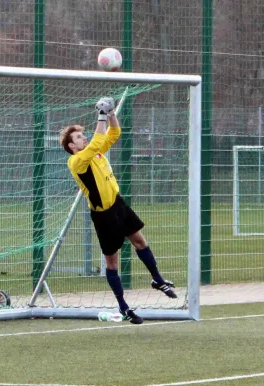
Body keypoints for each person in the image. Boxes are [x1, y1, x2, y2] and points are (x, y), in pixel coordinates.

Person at [58, 97, 177, 325]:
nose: (84, 138)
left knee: (140, 242)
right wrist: (100, 115)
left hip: (118, 205)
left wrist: (110, 114)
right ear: (72, 146)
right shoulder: (76, 162)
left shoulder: (94, 152)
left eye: (83, 135)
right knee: (112, 263)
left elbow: (113, 134)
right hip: (103, 216)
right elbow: (97, 141)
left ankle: (157, 279)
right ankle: (124, 307)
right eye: (79, 137)